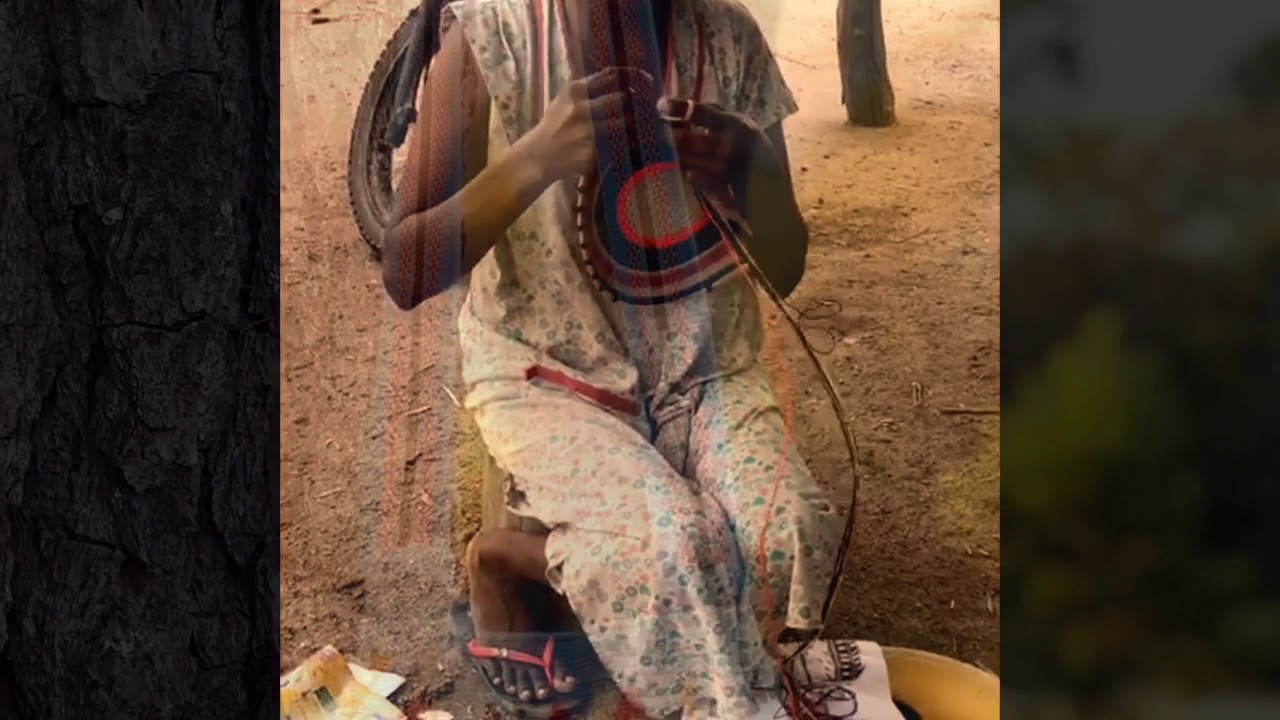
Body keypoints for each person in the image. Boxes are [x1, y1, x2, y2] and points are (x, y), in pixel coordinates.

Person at [383, 0, 843, 717]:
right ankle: (506, 561)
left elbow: (784, 268)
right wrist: (535, 157)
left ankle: (550, 566)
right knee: (670, 555)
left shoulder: (726, 38)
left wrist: (750, 168)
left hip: (706, 370)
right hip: (553, 375)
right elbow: (405, 271)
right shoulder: (490, 36)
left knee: (787, 538)